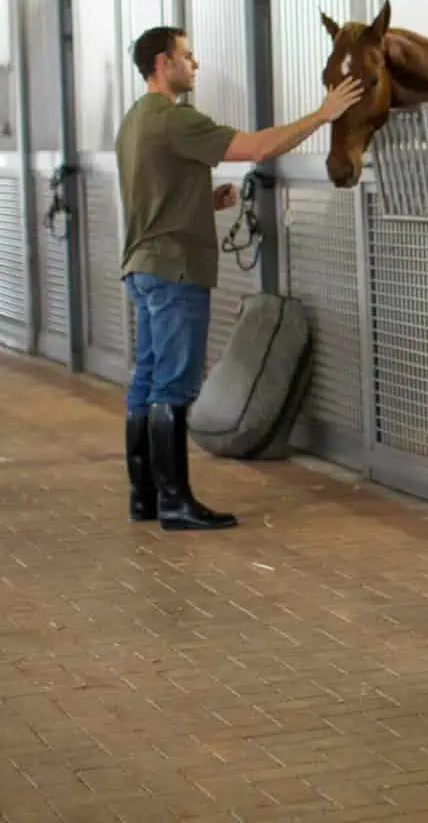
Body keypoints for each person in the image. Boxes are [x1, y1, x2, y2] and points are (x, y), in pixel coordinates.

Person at [117, 26, 363, 531]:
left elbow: (151, 196)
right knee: (173, 385)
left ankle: (145, 497)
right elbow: (256, 148)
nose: (196, 63)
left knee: (145, 381)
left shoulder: (134, 121)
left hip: (143, 266)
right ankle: (175, 503)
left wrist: (204, 202)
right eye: (187, 56)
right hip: (175, 269)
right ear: (163, 63)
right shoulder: (174, 118)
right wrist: (323, 114)